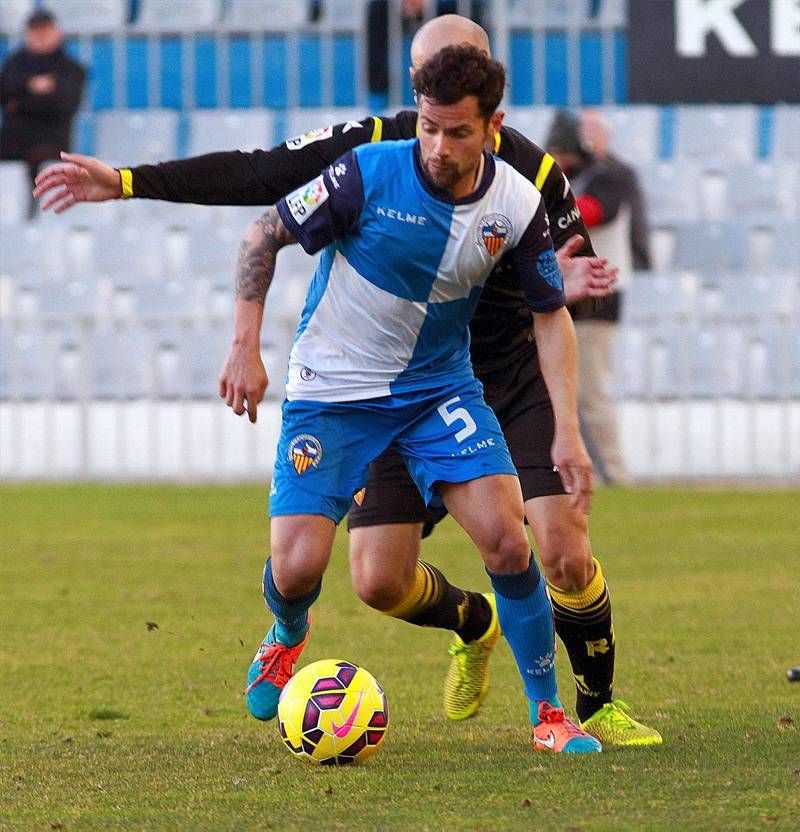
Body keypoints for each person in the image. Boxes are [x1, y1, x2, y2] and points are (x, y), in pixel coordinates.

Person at [34, 15, 661, 748]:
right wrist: (132, 182)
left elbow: (550, 283)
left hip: (480, 378)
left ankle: (576, 707)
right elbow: (263, 181)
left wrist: (561, 301)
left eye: (454, 109)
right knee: (369, 581)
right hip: (352, 388)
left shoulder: (529, 182)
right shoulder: (374, 152)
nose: (432, 130)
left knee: (541, 543)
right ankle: (455, 622)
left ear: (490, 101)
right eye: (424, 95)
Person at [234, 45, 601, 753]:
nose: (436, 146)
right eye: (428, 127)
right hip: (333, 393)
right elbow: (263, 234)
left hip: (437, 390)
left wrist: (566, 430)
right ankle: (287, 630)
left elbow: (550, 315)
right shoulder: (368, 172)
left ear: (491, 128)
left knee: (504, 537)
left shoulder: (518, 207)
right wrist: (243, 347)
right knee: (300, 569)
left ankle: (548, 716)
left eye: (456, 131)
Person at [546, 109, 652, 486]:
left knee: (590, 392)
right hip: (566, 296)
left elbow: (591, 212)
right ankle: (575, 473)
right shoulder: (570, 178)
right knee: (563, 391)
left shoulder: (612, 176)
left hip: (598, 296)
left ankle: (615, 474)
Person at [0, 8, 85, 216]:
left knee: (44, 164)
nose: (39, 36)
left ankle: (36, 219)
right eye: (35, 31)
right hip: (12, 143)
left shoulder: (71, 68)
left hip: (50, 144)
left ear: (57, 32)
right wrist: (31, 86)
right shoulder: (15, 63)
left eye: (45, 30)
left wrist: (18, 103)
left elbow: (63, 104)